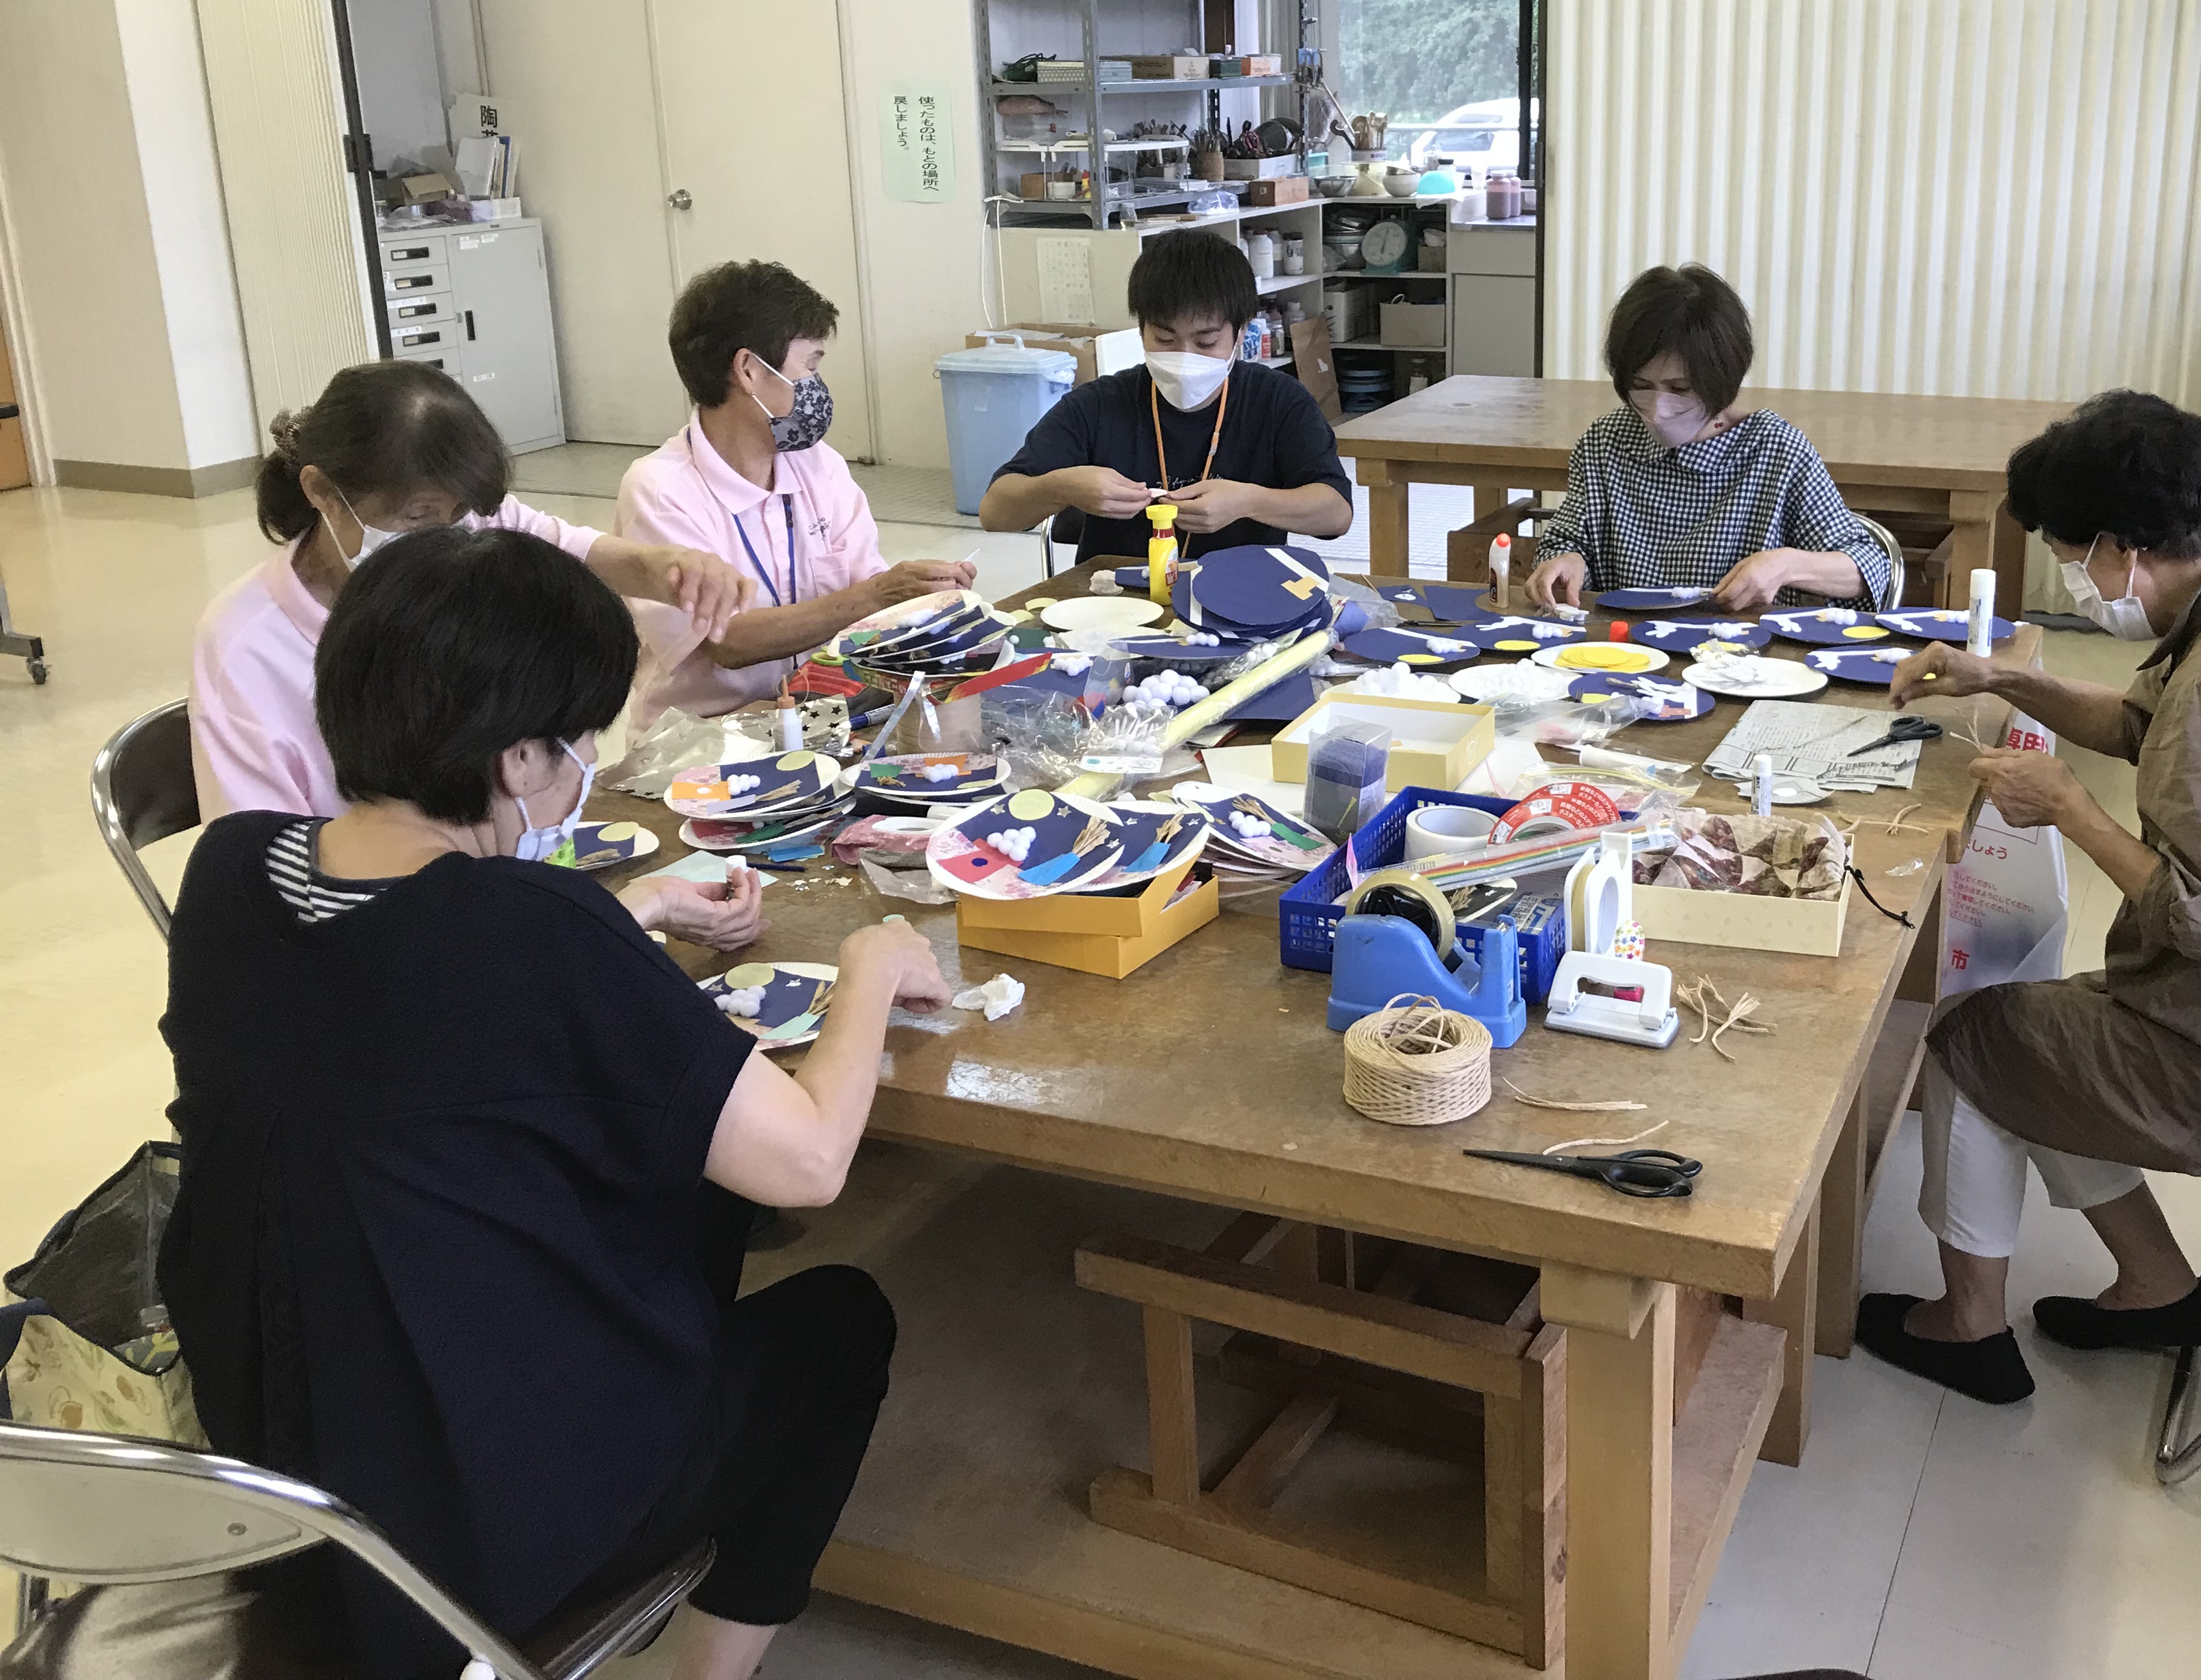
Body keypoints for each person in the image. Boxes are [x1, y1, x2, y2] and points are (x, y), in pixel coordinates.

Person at [160, 526, 951, 1680]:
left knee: (691, 1187)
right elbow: (812, 1161)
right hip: (468, 1533)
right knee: (838, 1321)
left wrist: (629, 913)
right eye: (578, 741)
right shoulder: (533, 925)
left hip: (272, 1472)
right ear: (519, 757)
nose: (584, 765)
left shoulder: (230, 873)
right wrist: (874, 966)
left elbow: (399, 995)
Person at [1856, 391, 2201, 1404]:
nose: (2076, 580)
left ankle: (1967, 1326)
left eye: (2072, 557)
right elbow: (2137, 722)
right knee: (2037, 1036)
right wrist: (2000, 680)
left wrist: (2070, 809)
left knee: (1970, 1041)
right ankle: (2160, 1287)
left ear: (2121, 550)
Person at [191, 362, 755, 820]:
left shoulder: (471, 524)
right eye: (418, 517)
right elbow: (258, 859)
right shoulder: (246, 646)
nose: (445, 537)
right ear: (322, 491)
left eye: (459, 515)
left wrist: (670, 568)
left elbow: (567, 550)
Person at [615, 260, 975, 722]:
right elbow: (727, 641)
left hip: (820, 714)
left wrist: (921, 594)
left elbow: (869, 593)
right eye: (810, 366)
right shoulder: (660, 491)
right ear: (748, 370)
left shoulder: (818, 465)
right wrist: (880, 594)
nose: (817, 387)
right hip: (708, 739)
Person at [1525, 265, 1894, 612]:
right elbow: (1566, 540)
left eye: (1680, 389)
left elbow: (1869, 567)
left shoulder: (1775, 450)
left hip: (1741, 652)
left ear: (1721, 380)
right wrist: (1566, 560)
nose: (1658, 410)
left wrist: (1787, 565)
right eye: (1641, 386)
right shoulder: (1606, 443)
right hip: (1623, 648)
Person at [979, 227, 1354, 564]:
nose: (1185, 357)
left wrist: (1249, 502)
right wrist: (1062, 488)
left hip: (1240, 598)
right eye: (1165, 339)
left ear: (1241, 333)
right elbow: (995, 512)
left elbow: (1336, 513)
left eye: (1206, 342)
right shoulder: (1098, 405)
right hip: (1115, 600)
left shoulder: (1278, 401)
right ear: (1141, 330)